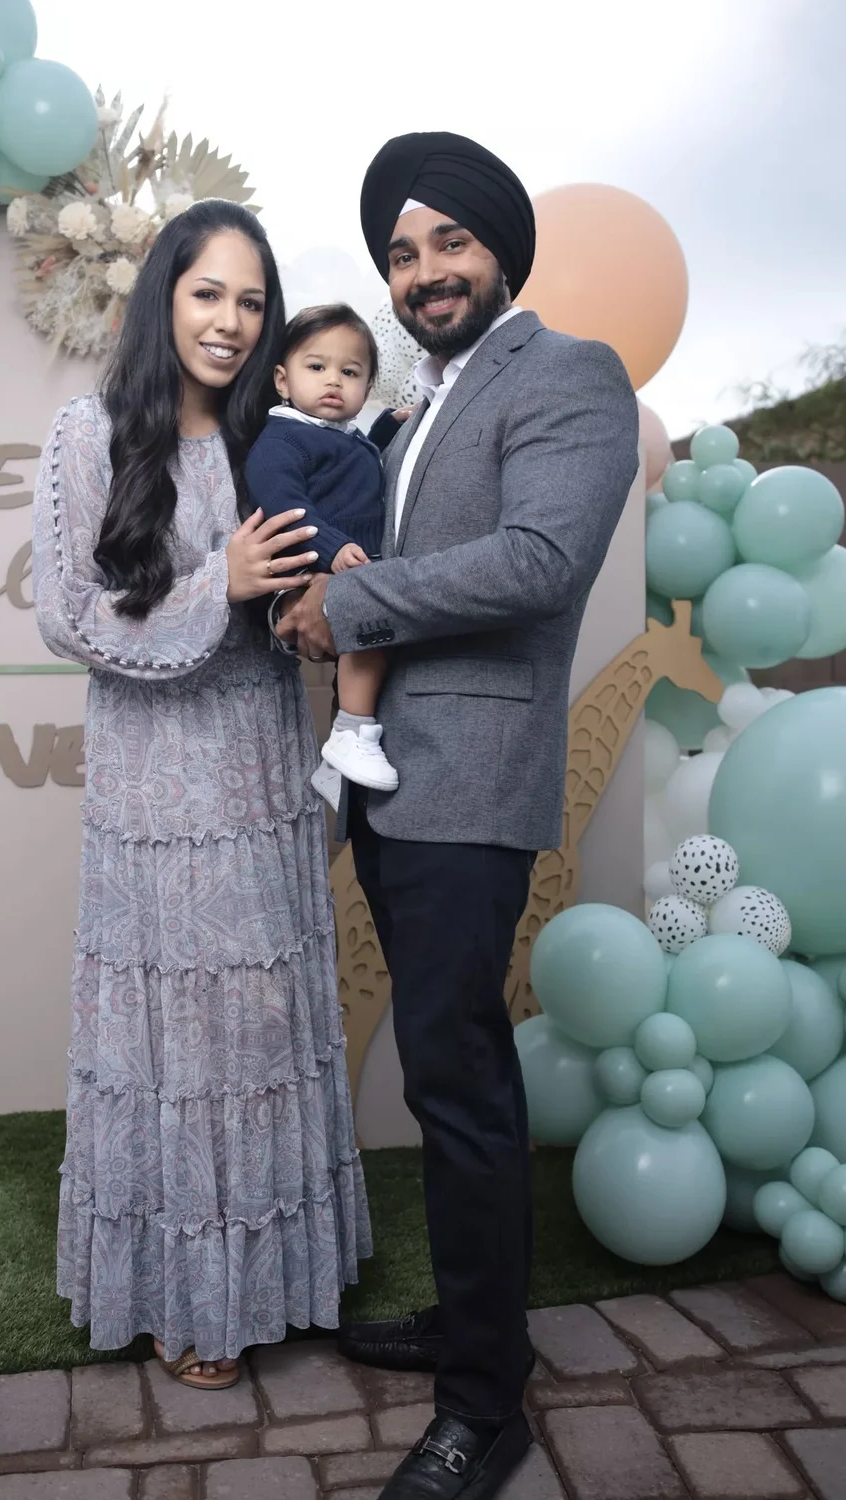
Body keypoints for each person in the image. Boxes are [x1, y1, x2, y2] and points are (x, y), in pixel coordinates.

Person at [277, 132, 639, 1499]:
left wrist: (353, 602)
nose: (424, 271)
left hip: (469, 784)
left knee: (460, 1084)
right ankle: (472, 1324)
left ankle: (485, 1407)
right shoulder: (409, 409)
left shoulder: (568, 373)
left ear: (500, 251)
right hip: (395, 782)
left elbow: (541, 562)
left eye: (449, 241)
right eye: (401, 253)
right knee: (445, 1077)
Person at [32, 199, 371, 1392]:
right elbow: (68, 616)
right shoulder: (89, 433)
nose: (229, 321)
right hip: (152, 793)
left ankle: (276, 1280)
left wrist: (317, 601)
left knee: (263, 1029)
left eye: (250, 301)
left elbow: (315, 592)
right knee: (172, 1040)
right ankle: (183, 1300)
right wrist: (214, 583)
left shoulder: (272, 439)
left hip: (260, 769)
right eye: (207, 294)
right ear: (163, 300)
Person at [246, 304, 400, 792]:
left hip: (346, 564)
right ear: (283, 380)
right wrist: (331, 548)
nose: (333, 380)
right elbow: (285, 505)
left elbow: (357, 468)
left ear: (366, 389)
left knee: (376, 650)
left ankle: (337, 766)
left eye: (350, 372)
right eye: (316, 367)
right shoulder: (282, 440)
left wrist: (387, 430)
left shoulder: (340, 438)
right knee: (369, 638)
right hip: (310, 567)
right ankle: (352, 733)